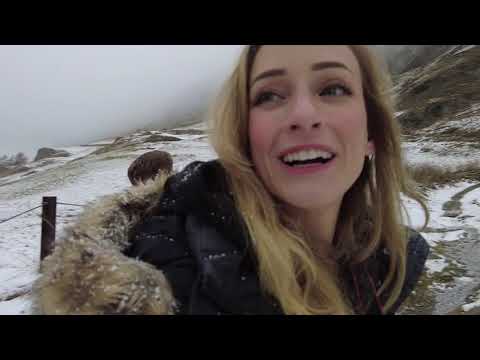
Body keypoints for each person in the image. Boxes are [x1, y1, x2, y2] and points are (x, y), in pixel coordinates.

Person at [33, 45, 430, 315]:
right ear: (243, 136)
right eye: (269, 96)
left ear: (373, 134)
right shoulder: (159, 277)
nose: (304, 114)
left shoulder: (387, 269)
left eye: (333, 88)